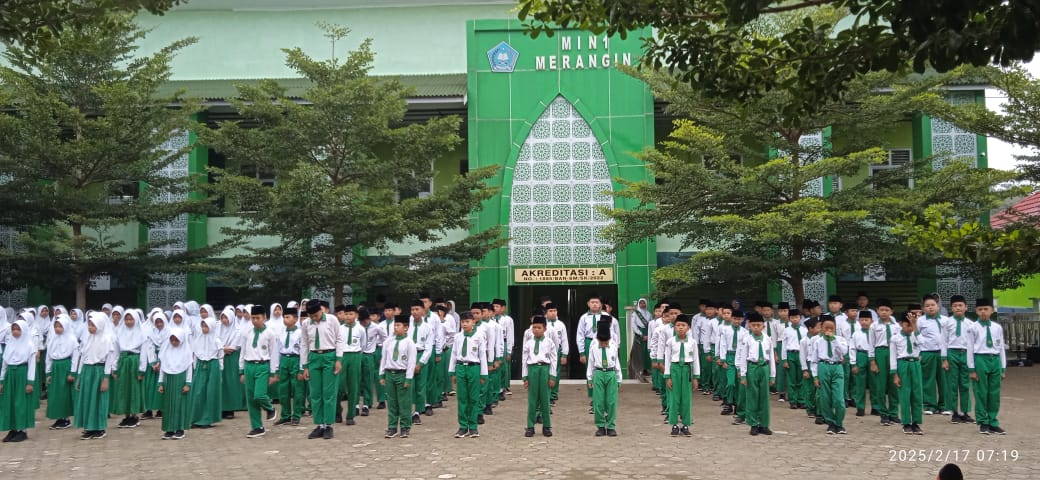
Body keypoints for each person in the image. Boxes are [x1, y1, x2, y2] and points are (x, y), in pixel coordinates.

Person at [300, 299, 343, 439]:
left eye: (316, 315)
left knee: (328, 393)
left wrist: (338, 359)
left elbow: (339, 339)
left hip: (329, 355)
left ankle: (328, 425)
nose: (314, 318)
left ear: (321, 310)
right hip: (314, 357)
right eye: (311, 316)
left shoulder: (332, 320)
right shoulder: (306, 323)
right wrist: (305, 366)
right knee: (315, 393)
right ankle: (319, 425)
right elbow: (304, 344)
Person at [74, 312, 119, 440]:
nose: (90, 328)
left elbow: (109, 360)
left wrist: (105, 378)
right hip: (87, 371)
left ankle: (99, 428)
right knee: (87, 399)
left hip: (99, 372)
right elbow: (83, 358)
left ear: (99, 325)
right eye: (89, 325)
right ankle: (89, 427)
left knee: (98, 400)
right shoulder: (88, 339)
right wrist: (79, 377)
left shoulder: (106, 340)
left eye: (93, 325)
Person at [967, 298, 1006, 435]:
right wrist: (972, 369)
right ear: (976, 311)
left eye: (986, 309)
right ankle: (983, 422)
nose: (983, 312)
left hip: (995, 359)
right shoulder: (972, 328)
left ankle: (993, 422)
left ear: (992, 310)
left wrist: (1003, 368)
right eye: (980, 309)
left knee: (994, 393)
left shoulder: (997, 327)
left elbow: (1001, 347)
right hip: (980, 359)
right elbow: (970, 349)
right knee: (981, 392)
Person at [240, 305, 280, 438]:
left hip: (262, 365)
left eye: (258, 318)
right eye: (253, 318)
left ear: (264, 318)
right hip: (249, 365)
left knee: (259, 395)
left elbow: (274, 353)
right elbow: (243, 351)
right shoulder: (247, 332)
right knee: (251, 398)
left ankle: (270, 408)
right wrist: (241, 370)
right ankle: (257, 427)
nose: (255, 320)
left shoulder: (270, 333)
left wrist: (273, 372)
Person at [448, 311, 487, 438]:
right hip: (460, 367)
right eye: (463, 322)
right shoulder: (458, 337)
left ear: (473, 322)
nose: (464, 324)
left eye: (467, 322)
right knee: (462, 398)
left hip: (473, 367)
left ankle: (473, 427)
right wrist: (452, 371)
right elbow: (454, 354)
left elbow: (482, 356)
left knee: (473, 398)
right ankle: (463, 427)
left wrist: (483, 374)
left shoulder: (479, 336)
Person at [737, 312, 775, 436]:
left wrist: (772, 375)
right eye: (754, 325)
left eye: (759, 325)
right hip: (752, 367)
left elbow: (771, 357)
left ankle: (764, 424)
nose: (756, 327)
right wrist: (743, 374)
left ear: (763, 326)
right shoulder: (747, 339)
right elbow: (743, 357)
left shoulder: (767, 339)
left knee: (764, 397)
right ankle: (753, 424)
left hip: (764, 367)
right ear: (750, 326)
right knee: (752, 396)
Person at [380, 316, 417, 438]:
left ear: (406, 328)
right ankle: (392, 427)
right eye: (395, 325)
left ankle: (405, 427)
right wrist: (381, 374)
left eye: (398, 325)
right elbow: (384, 358)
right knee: (392, 402)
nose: (395, 328)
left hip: (402, 374)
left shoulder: (409, 343)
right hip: (390, 373)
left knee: (404, 402)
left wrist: (409, 378)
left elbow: (411, 362)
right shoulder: (388, 342)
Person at [663, 314, 700, 437]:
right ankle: (674, 425)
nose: (680, 327)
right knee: (674, 398)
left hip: (687, 369)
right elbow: (667, 359)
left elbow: (696, 359)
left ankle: (685, 425)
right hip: (675, 369)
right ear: (674, 327)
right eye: (678, 325)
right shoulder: (671, 342)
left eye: (683, 325)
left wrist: (696, 377)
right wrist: (668, 376)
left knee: (686, 398)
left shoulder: (692, 342)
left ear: (688, 328)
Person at [0, 319, 36, 442]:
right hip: (10, 375)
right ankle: (13, 429)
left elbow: (32, 365)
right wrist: (1, 381)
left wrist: (30, 382)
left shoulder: (29, 345)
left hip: (22, 374)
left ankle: (22, 430)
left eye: (18, 329)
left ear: (23, 330)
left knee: (20, 403)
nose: (15, 332)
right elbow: (5, 363)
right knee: (10, 402)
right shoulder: (10, 343)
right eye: (13, 329)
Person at [522, 316, 557, 438]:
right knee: (532, 400)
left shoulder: (549, 342)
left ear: (545, 329)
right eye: (534, 327)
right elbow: (524, 360)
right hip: (532, 369)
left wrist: (552, 376)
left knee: (545, 399)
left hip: (545, 369)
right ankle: (530, 426)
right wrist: (525, 377)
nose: (536, 330)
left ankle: (546, 426)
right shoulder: (528, 343)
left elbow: (554, 359)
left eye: (539, 327)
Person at [111, 309, 146, 429]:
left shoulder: (141, 334)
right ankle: (126, 415)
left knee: (134, 388)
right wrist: (114, 367)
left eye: (131, 319)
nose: (128, 321)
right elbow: (116, 351)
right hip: (123, 362)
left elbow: (144, 353)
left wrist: (141, 369)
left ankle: (134, 416)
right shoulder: (119, 332)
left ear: (136, 320)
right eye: (126, 319)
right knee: (123, 388)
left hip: (134, 362)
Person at [942, 295, 974, 425]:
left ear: (966, 307)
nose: (958, 308)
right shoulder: (947, 322)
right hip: (952, 353)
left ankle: (965, 412)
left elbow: (972, 343)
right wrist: (944, 359)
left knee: (965, 384)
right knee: (952, 384)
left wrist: (972, 360)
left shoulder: (971, 324)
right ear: (951, 308)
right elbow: (943, 341)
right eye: (955, 306)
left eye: (960, 305)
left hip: (965, 353)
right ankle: (954, 412)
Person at [891, 311, 924, 435]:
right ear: (901, 324)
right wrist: (895, 374)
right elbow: (892, 357)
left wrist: (915, 326)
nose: (910, 327)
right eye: (908, 325)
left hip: (915, 364)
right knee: (905, 394)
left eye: (912, 324)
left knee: (917, 394)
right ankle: (906, 423)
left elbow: (921, 342)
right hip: (903, 364)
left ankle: (916, 422)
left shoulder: (915, 335)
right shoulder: (895, 338)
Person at [586, 318, 621, 437]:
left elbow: (616, 362)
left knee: (611, 402)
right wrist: (590, 378)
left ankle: (611, 426)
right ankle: (600, 426)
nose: (604, 345)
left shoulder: (613, 345)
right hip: (599, 373)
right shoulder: (593, 346)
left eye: (606, 343)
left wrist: (618, 378)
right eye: (602, 342)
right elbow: (591, 363)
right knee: (598, 401)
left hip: (611, 373)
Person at [45, 314, 79, 430]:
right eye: (55, 326)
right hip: (55, 368)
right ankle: (59, 417)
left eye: (60, 326)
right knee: (55, 394)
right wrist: (48, 372)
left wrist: (72, 373)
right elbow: (48, 357)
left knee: (64, 394)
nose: (57, 329)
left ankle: (66, 418)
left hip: (65, 367)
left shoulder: (72, 339)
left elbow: (75, 357)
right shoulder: (52, 339)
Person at [158, 327, 193, 440]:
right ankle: (169, 429)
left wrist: (188, 383)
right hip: (168, 380)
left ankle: (180, 429)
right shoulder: (166, 351)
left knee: (179, 405)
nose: (173, 342)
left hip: (180, 380)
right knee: (168, 405)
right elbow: (163, 367)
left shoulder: (186, 352)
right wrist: (160, 383)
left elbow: (189, 368)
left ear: (181, 339)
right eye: (172, 339)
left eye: (176, 340)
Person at [870, 298, 900, 426]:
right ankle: (883, 413)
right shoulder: (874, 326)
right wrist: (873, 362)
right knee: (881, 385)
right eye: (881, 310)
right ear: (877, 311)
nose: (884, 312)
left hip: (894, 353)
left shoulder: (896, 326)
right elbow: (871, 344)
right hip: (880, 353)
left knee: (894, 384)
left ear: (891, 311)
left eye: (886, 310)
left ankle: (893, 413)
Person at [190, 317, 223, 429]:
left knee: (210, 393)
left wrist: (220, 371)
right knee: (198, 392)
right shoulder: (198, 339)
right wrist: (195, 369)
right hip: (200, 366)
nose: (204, 328)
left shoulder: (217, 341)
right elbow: (195, 355)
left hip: (213, 366)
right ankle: (195, 418)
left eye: (206, 326)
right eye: (203, 326)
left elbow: (220, 357)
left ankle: (207, 419)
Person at [337, 305, 367, 426]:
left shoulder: (360, 329)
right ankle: (337, 411)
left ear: (356, 315)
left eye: (351, 314)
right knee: (339, 386)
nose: (348, 316)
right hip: (342, 356)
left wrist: (357, 355)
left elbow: (363, 344)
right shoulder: (339, 328)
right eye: (346, 314)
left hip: (355, 356)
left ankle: (350, 415)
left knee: (353, 386)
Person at [918, 294, 948, 416]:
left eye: (933, 305)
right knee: (928, 380)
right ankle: (929, 405)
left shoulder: (946, 320)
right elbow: (916, 337)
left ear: (938, 306)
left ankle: (944, 405)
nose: (930, 307)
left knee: (944, 380)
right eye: (927, 306)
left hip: (943, 354)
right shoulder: (920, 321)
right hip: (927, 353)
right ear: (923, 308)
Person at [274, 306, 303, 427]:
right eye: (284, 317)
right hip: (284, 360)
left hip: (295, 359)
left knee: (297, 389)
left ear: (295, 319)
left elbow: (303, 351)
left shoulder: (300, 333)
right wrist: (276, 368)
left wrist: (301, 368)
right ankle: (285, 415)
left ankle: (296, 415)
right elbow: (277, 350)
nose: (285, 320)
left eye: (287, 317)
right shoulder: (281, 332)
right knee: (283, 389)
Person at [218, 306, 245, 419]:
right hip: (219, 357)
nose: (224, 320)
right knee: (220, 383)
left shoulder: (237, 330)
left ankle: (230, 409)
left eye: (226, 318)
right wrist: (222, 349)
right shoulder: (218, 328)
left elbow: (234, 347)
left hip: (231, 358)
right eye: (222, 317)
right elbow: (215, 342)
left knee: (230, 383)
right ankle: (220, 408)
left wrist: (222, 348)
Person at [849, 310, 875, 417]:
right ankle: (860, 407)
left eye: (866, 320)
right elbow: (852, 348)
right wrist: (853, 363)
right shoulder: (856, 334)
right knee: (860, 383)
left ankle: (876, 407)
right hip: (861, 355)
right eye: (862, 320)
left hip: (873, 357)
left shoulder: (874, 332)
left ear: (871, 321)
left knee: (874, 382)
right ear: (859, 321)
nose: (864, 322)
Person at [360, 308, 385, 415]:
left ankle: (378, 400)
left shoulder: (376, 327)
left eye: (365, 320)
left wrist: (379, 346)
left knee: (374, 376)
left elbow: (385, 338)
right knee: (362, 379)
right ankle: (365, 402)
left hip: (373, 353)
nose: (364, 322)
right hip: (360, 353)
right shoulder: (358, 326)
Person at [780, 308, 806, 410]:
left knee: (801, 378)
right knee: (791, 379)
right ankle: (793, 401)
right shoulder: (786, 330)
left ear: (800, 318)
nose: (795, 319)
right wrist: (784, 359)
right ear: (789, 318)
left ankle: (801, 400)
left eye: (797, 317)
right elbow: (784, 345)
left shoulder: (804, 330)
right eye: (792, 317)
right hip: (791, 354)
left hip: (801, 354)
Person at [544, 303, 568, 405]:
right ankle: (546, 394)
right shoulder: (543, 325)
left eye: (554, 311)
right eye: (550, 311)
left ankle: (553, 394)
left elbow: (564, 340)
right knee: (546, 372)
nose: (553, 313)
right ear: (546, 313)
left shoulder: (561, 325)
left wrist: (564, 354)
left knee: (555, 373)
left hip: (556, 351)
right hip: (545, 352)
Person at [491, 299, 515, 399]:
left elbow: (510, 335)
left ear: (503, 308)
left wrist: (509, 350)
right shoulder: (491, 318)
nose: (495, 308)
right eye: (494, 306)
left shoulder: (507, 319)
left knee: (503, 367)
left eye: (497, 306)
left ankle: (501, 389)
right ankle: (493, 389)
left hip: (503, 343)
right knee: (493, 366)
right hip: (492, 344)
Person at [630, 298, 652, 377]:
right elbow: (633, 325)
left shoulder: (649, 314)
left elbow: (651, 325)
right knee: (639, 352)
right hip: (639, 334)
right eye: (641, 303)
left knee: (647, 352)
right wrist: (641, 334)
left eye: (644, 303)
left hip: (647, 333)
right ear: (638, 304)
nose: (642, 304)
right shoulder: (635, 314)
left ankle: (646, 369)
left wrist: (649, 335)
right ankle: (639, 369)